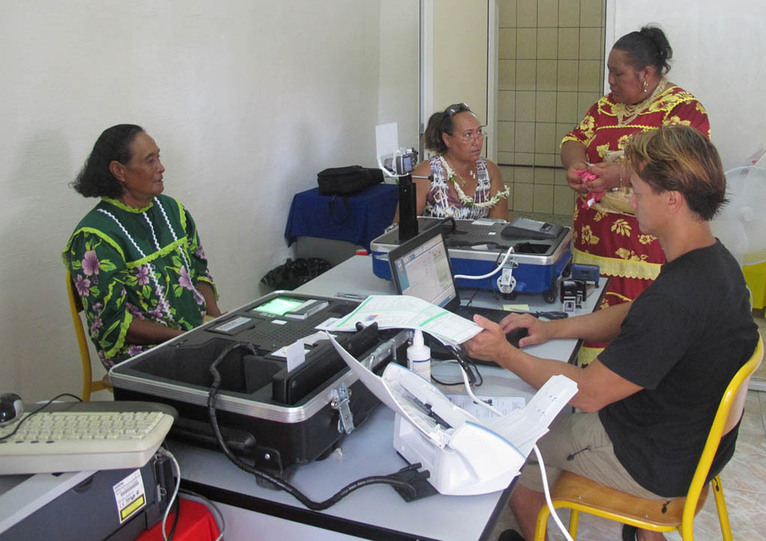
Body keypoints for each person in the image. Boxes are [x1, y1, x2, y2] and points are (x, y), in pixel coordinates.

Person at [465, 125, 759, 541]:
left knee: (517, 448)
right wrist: (553, 328)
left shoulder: (678, 299)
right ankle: (643, 535)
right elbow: (637, 312)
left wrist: (503, 353)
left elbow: (586, 393)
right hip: (694, 443)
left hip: (652, 460)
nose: (630, 199)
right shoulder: (714, 263)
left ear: (672, 200)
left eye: (638, 191)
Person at [561, 25, 710, 365]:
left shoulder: (682, 109)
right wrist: (577, 164)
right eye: (609, 73)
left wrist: (619, 173)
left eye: (618, 73)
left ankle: (636, 383)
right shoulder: (604, 107)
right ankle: (592, 381)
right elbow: (573, 138)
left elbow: (681, 165)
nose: (611, 82)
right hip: (593, 241)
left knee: (641, 324)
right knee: (594, 313)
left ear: (646, 73)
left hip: (646, 250)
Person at [63, 124, 222, 369]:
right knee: (225, 382)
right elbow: (111, 324)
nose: (161, 167)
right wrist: (184, 339)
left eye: (158, 157)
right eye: (150, 161)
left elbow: (199, 271)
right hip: (142, 354)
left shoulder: (172, 211)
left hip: (195, 334)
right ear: (119, 171)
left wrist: (219, 323)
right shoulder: (95, 237)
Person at [393, 102, 509, 222]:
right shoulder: (426, 174)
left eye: (479, 132)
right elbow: (401, 228)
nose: (477, 141)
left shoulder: (490, 171)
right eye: (468, 134)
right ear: (447, 139)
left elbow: (499, 225)